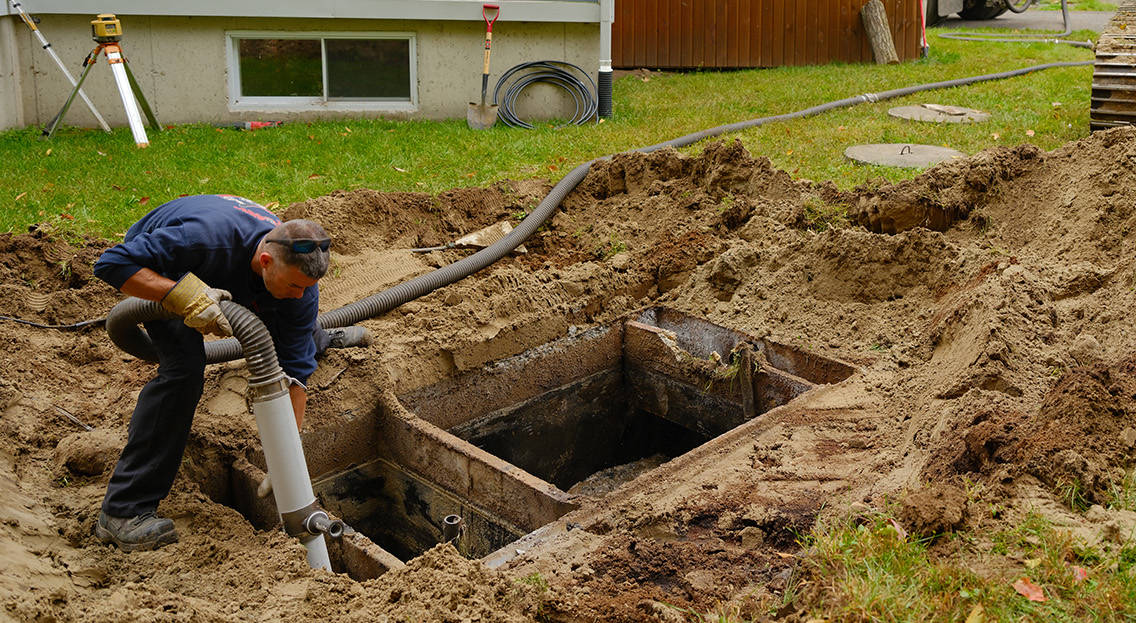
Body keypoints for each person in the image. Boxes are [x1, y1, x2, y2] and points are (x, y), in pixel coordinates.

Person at [91, 194, 335, 552]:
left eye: (307, 288)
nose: (302, 295)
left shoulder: (299, 288)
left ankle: (321, 334)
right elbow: (111, 263)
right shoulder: (201, 241)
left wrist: (287, 456)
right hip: (173, 270)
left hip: (239, 274)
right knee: (184, 370)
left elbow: (295, 373)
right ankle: (123, 511)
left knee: (297, 329)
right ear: (266, 261)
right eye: (296, 285)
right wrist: (184, 296)